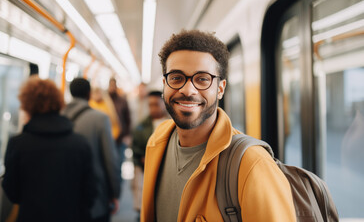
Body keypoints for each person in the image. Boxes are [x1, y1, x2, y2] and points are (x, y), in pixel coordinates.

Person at [141, 30, 296, 221]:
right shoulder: (157, 141)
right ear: (165, 85)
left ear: (220, 89)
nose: (188, 90)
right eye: (176, 77)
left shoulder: (253, 165)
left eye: (202, 79)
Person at [2, 76, 96, 222]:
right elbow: (90, 193)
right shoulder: (80, 144)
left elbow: (12, 192)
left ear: (27, 104)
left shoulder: (18, 144)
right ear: (59, 102)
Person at [62, 78, 121, 222]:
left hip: (64, 195)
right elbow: (110, 160)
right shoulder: (100, 119)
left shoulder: (59, 117)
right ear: (89, 94)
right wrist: (115, 192)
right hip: (95, 196)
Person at [131, 91, 169, 219]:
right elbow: (135, 150)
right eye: (150, 105)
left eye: (156, 104)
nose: (153, 108)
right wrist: (142, 158)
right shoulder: (141, 126)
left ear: (163, 104)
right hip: (146, 172)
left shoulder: (173, 124)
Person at [108, 78, 131, 180]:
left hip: (120, 139)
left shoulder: (122, 101)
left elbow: (128, 119)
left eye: (114, 85)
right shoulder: (105, 101)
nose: (112, 87)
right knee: (108, 166)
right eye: (110, 85)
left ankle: (117, 190)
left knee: (119, 165)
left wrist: (127, 135)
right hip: (108, 139)